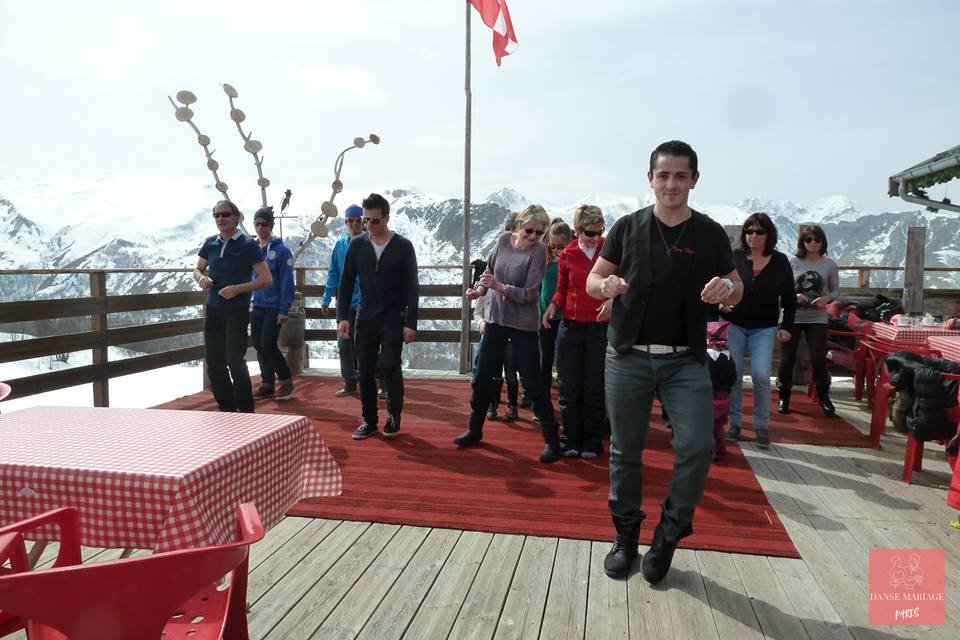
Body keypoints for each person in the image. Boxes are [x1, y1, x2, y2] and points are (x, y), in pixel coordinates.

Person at [586, 140, 743, 583]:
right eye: (663, 175)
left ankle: (669, 534)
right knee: (625, 451)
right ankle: (626, 535)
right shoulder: (626, 227)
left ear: (694, 179)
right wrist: (607, 286)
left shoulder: (710, 233)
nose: (671, 183)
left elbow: (736, 288)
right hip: (627, 353)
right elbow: (595, 281)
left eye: (680, 175)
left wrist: (728, 292)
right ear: (649, 179)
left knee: (697, 447)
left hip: (684, 359)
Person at [454, 204, 562, 462]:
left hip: (523, 326)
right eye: (530, 230)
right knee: (481, 378)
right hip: (495, 321)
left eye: (540, 232)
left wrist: (501, 288)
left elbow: (530, 293)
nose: (534, 236)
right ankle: (474, 428)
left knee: (533, 382)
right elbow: (488, 273)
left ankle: (552, 439)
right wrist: (479, 291)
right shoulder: (503, 240)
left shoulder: (538, 253)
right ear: (518, 225)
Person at [337, 193, 419, 439]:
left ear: (386, 218)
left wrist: (410, 323)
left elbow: (412, 286)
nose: (370, 226)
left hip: (393, 315)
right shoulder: (357, 245)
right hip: (365, 316)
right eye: (366, 221)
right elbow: (347, 280)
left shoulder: (403, 246)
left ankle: (394, 415)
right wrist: (343, 317)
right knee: (364, 370)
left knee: (390, 365)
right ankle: (369, 419)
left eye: (374, 220)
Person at [719, 213, 796, 448]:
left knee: (762, 376)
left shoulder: (781, 261)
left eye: (759, 231)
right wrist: (721, 304)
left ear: (768, 235)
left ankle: (761, 426)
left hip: (764, 327)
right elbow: (720, 286)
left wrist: (787, 327)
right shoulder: (734, 258)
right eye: (749, 231)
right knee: (734, 376)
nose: (753, 236)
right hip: (734, 324)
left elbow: (790, 298)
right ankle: (734, 423)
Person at [543, 205, 611, 459]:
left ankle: (592, 440)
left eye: (599, 232)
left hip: (598, 327)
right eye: (590, 233)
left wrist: (612, 301)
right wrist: (552, 305)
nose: (595, 237)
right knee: (569, 386)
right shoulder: (568, 254)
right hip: (570, 326)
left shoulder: (609, 250)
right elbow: (561, 289)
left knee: (593, 387)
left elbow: (621, 281)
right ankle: (570, 438)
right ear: (578, 230)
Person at [194, 200, 272, 412]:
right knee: (214, 363)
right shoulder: (210, 243)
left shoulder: (248, 245)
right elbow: (198, 269)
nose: (221, 219)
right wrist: (201, 278)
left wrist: (238, 288)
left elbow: (266, 279)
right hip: (213, 309)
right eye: (216, 215)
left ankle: (246, 411)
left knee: (234, 360)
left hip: (236, 310)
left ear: (237, 217)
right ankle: (227, 409)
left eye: (225, 214)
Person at [776, 223, 840, 416]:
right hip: (791, 316)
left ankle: (823, 395)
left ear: (823, 242)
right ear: (802, 242)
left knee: (818, 358)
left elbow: (836, 290)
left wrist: (827, 298)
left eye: (817, 240)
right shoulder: (792, 262)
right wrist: (793, 296)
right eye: (808, 239)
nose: (813, 243)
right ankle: (784, 395)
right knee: (788, 358)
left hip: (817, 317)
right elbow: (780, 288)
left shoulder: (829, 265)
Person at [250, 207, 296, 400]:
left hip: (275, 306)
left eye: (264, 224)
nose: (260, 228)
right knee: (258, 345)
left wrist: (284, 308)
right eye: (257, 224)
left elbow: (287, 282)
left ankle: (286, 381)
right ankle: (267, 383)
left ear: (271, 225)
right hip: (257, 304)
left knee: (268, 344)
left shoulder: (282, 251)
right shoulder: (252, 250)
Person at [323, 204, 364, 397]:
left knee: (365, 344)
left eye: (358, 219)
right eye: (350, 220)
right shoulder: (340, 245)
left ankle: (379, 380)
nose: (355, 223)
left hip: (367, 302)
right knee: (343, 343)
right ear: (346, 221)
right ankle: (349, 381)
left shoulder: (370, 243)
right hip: (345, 302)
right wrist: (326, 297)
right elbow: (333, 273)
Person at [539, 218, 572, 396]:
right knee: (545, 357)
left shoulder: (573, 257)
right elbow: (538, 286)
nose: (557, 250)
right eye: (553, 245)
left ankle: (566, 397)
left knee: (564, 359)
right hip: (546, 314)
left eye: (561, 246)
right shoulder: (545, 257)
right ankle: (542, 398)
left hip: (566, 315)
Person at [706, 322, 737, 457]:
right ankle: (720, 448)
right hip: (724, 397)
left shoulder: (707, 357)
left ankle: (710, 450)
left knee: (707, 425)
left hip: (709, 397)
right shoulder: (729, 357)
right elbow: (733, 378)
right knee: (718, 425)